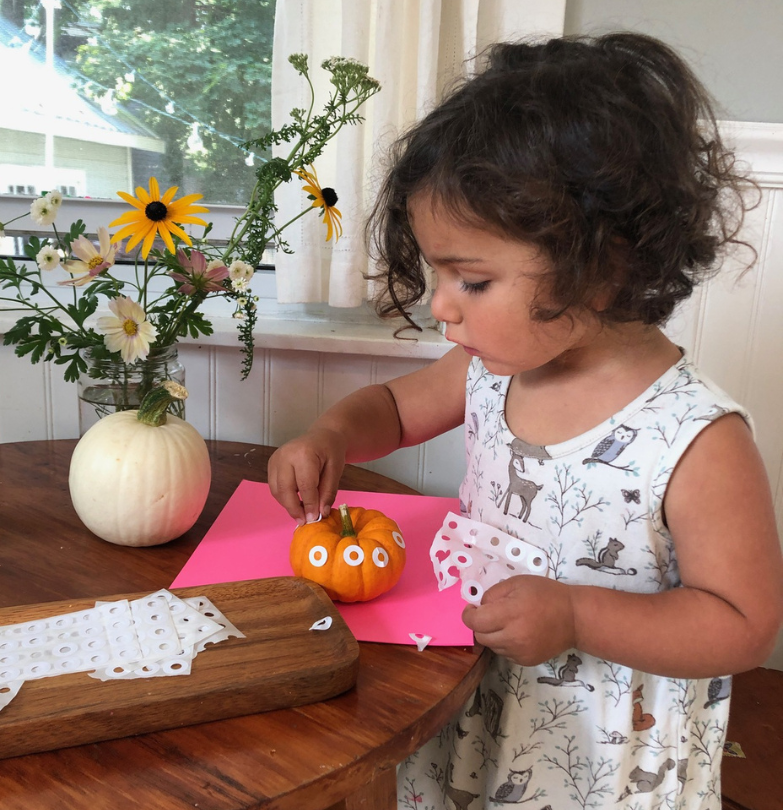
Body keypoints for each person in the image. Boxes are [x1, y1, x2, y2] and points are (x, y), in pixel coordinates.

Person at [267, 32, 783, 808]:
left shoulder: (695, 439)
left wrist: (577, 614)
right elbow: (396, 410)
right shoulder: (488, 368)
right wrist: (333, 434)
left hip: (601, 751)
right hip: (478, 698)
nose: (440, 305)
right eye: (439, 274)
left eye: (471, 280)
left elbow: (742, 624)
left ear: (603, 265)